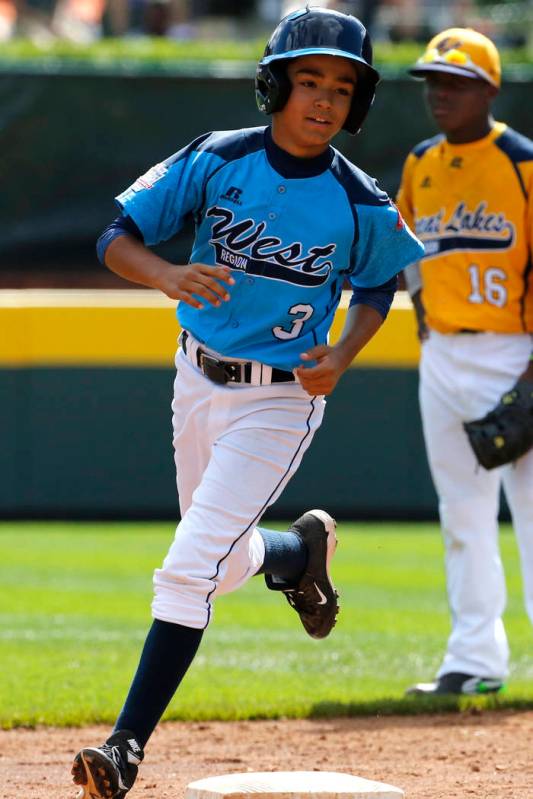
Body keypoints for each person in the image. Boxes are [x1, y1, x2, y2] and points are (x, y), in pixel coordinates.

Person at [71, 7, 423, 798]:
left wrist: (343, 351)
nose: (324, 100)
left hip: (281, 400)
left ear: (357, 103)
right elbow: (115, 235)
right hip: (193, 378)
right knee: (221, 562)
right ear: (274, 84)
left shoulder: (357, 198)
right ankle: (297, 554)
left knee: (187, 568)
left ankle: (124, 747)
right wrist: (163, 274)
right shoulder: (217, 158)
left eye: (342, 87)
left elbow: (379, 280)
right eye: (308, 81)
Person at [396, 28, 533, 696]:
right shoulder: (419, 162)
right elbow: (408, 257)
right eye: (432, 82)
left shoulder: (522, 163)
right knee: (461, 512)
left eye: (452, 82)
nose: (439, 94)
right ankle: (474, 658)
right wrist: (426, 327)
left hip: (517, 350)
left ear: (488, 88)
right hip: (443, 355)